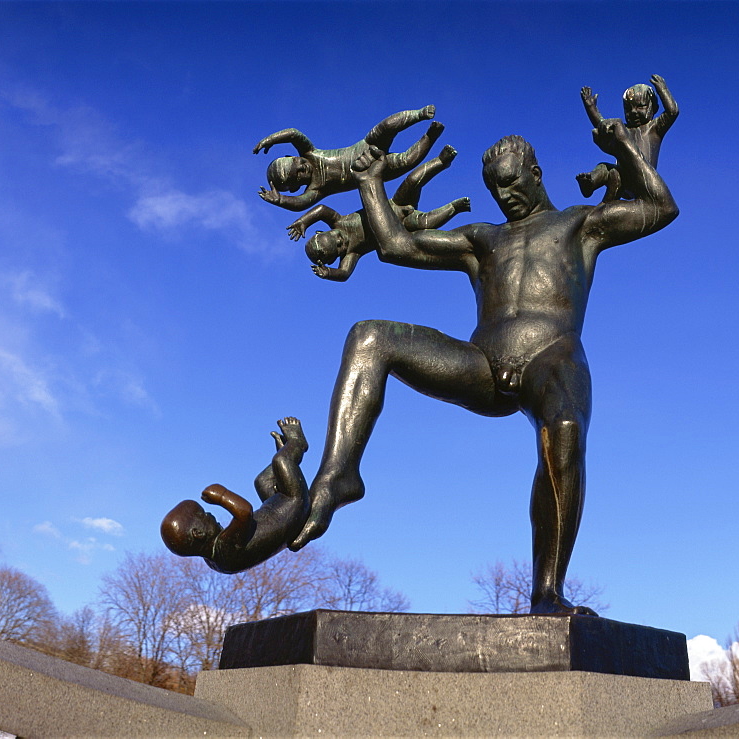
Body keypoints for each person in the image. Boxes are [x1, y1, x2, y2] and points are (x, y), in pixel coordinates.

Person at [289, 119, 678, 616]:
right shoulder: (482, 238)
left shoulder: (580, 225)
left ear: (536, 173)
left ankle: (547, 593)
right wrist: (369, 183)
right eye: (496, 186)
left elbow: (661, 208)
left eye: (513, 181)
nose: (505, 193)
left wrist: (626, 145)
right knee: (369, 336)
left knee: (562, 431)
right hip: (482, 365)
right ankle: (338, 476)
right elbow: (396, 246)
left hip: (551, 356)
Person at [286, 145, 471, 282]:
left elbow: (321, 210)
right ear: (337, 256)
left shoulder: (338, 222)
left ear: (322, 231)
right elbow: (344, 274)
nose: (342, 241)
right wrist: (329, 273)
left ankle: (441, 161)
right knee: (427, 222)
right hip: (403, 227)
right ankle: (455, 207)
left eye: (336, 238)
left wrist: (303, 221)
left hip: (395, 204)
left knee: (413, 180)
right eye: (339, 247)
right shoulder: (353, 253)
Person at [160, 417, 309, 574]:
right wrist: (221, 496)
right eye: (203, 515)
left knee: (262, 481)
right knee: (281, 461)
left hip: (277, 509)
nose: (209, 514)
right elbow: (244, 512)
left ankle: (288, 456)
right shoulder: (224, 548)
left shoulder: (215, 561)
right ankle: (297, 444)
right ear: (198, 533)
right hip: (293, 504)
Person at [254, 105, 443, 211]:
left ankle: (419, 114)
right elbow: (301, 203)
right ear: (295, 186)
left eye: (298, 162)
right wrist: (281, 200)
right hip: (372, 171)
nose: (303, 167)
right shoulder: (317, 188)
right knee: (407, 161)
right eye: (299, 173)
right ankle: (431, 135)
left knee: (386, 126)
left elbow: (294, 134)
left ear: (293, 155)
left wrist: (270, 140)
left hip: (366, 146)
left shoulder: (310, 153)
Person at [577, 74, 678, 200]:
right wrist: (591, 107)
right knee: (604, 167)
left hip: (644, 179)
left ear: (654, 108)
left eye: (640, 106)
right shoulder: (624, 130)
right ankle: (590, 183)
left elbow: (672, 112)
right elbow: (602, 125)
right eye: (628, 109)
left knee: (614, 172)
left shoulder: (654, 128)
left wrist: (663, 90)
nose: (634, 112)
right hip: (622, 177)